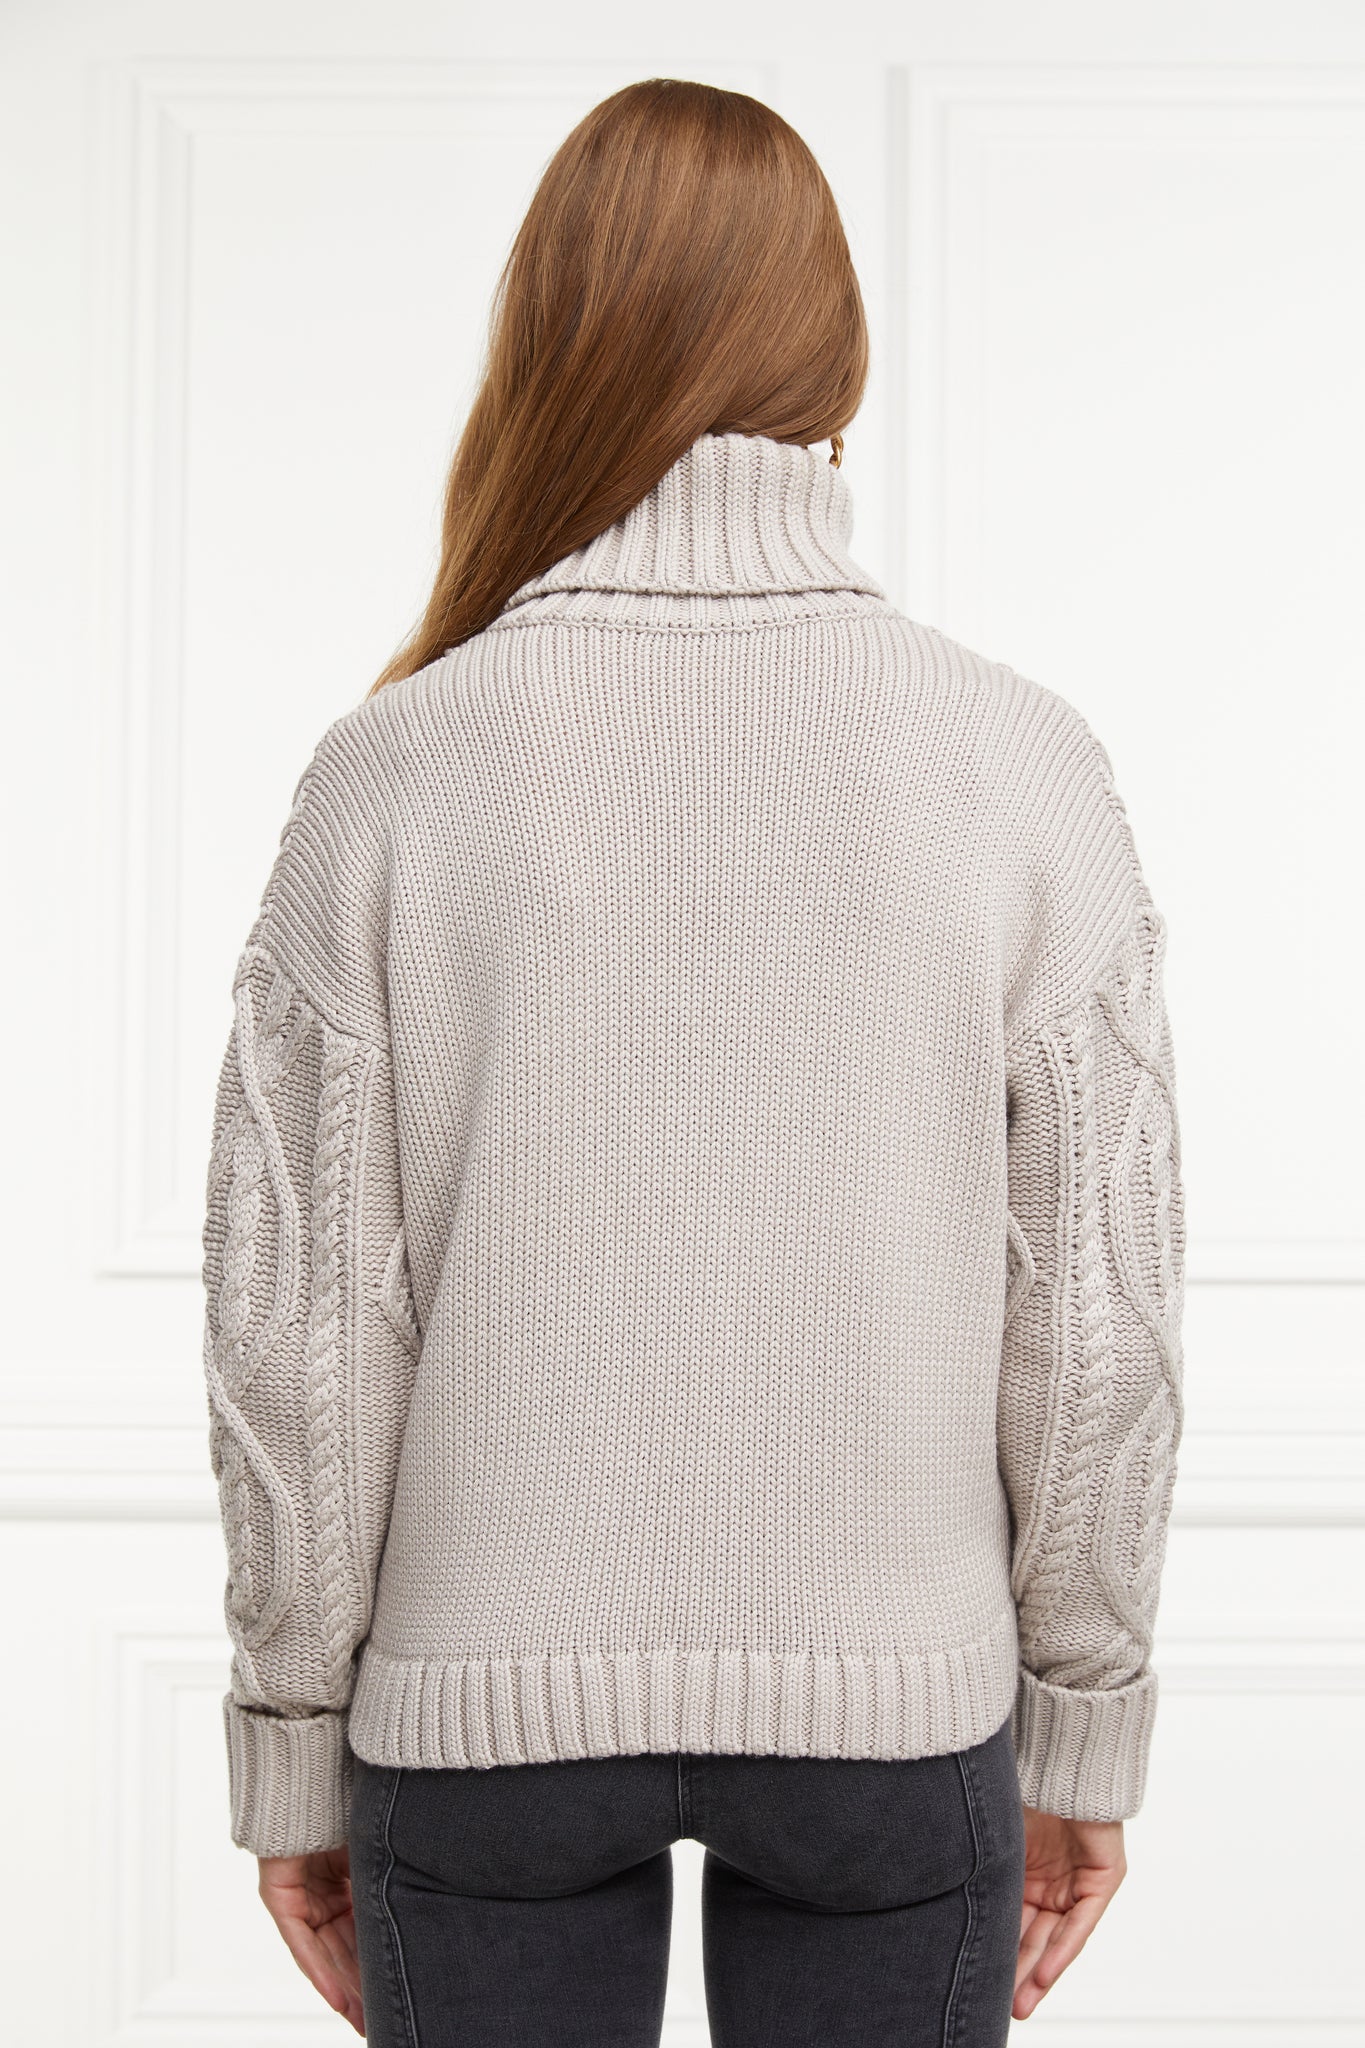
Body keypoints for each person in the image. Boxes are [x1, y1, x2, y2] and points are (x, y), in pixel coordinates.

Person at [199, 76, 1184, 2047]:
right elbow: (1091, 1326)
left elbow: (298, 1342)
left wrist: (293, 1749)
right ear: (837, 359)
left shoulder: (392, 772)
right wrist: (1083, 1719)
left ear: (544, 345)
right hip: (890, 1714)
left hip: (476, 1731)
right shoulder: (1012, 760)